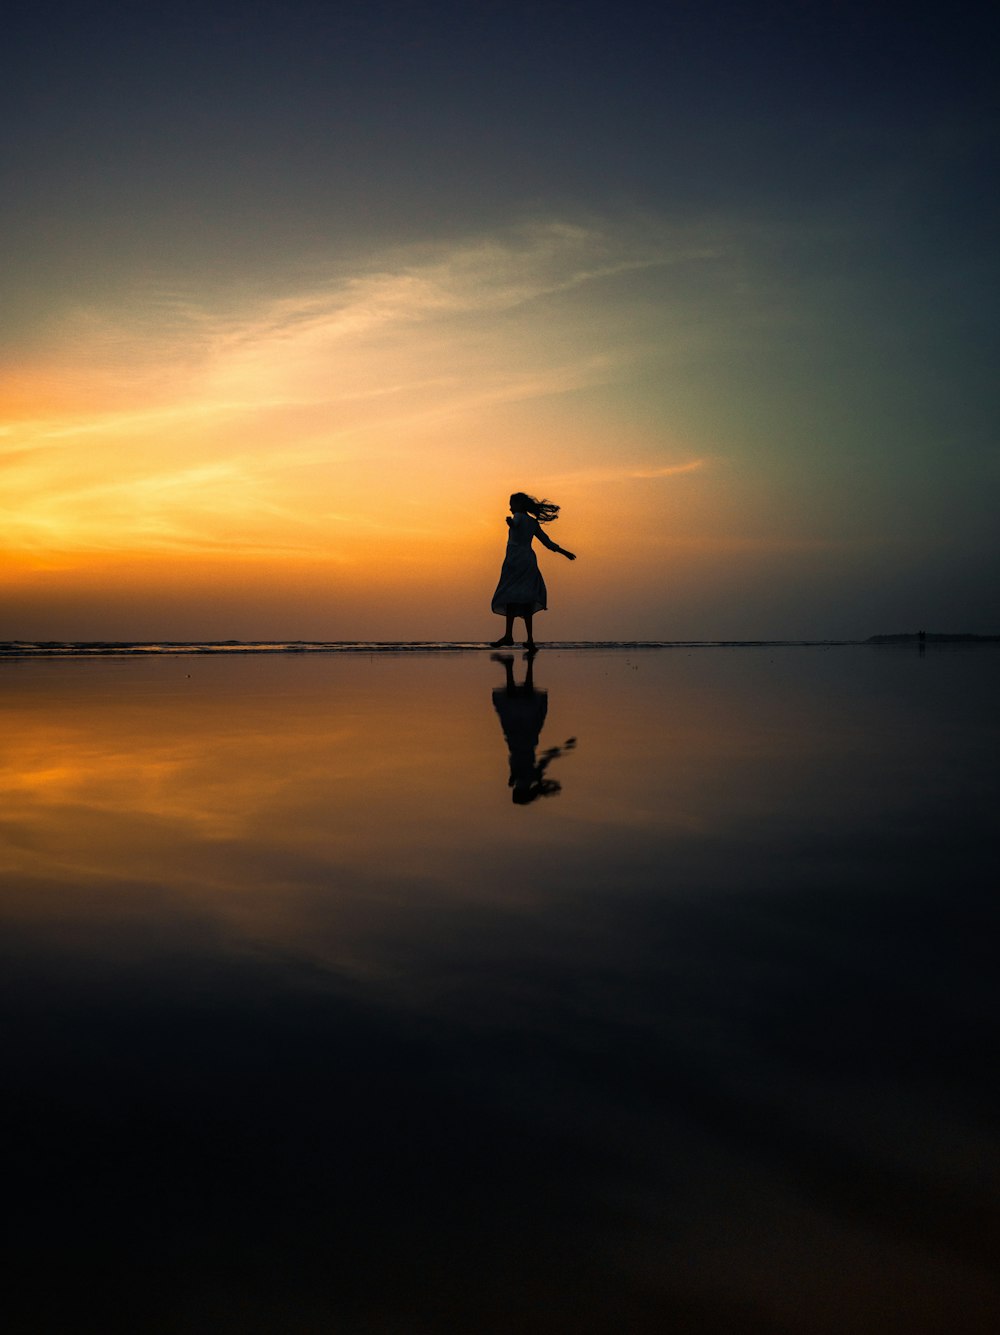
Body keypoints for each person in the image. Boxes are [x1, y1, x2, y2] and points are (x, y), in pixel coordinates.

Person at [489, 492, 575, 650]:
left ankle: (509, 635)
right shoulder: (533, 523)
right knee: (527, 599)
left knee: (510, 597)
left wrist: (511, 524)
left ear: (519, 505)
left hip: (514, 561)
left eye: (512, 504)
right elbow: (547, 542)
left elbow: (516, 525)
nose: (510, 507)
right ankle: (529, 639)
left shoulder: (519, 518)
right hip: (528, 560)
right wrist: (565, 553)